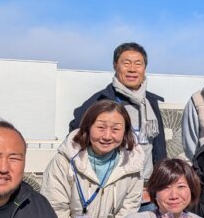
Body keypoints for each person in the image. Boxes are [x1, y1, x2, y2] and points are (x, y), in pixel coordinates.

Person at [69, 42, 167, 185]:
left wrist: (161, 181)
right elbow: (76, 135)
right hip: (113, 185)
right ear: (115, 66)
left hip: (147, 185)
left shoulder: (150, 102)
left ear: (144, 68)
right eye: (126, 63)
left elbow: (159, 147)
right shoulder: (101, 101)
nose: (132, 69)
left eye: (138, 64)